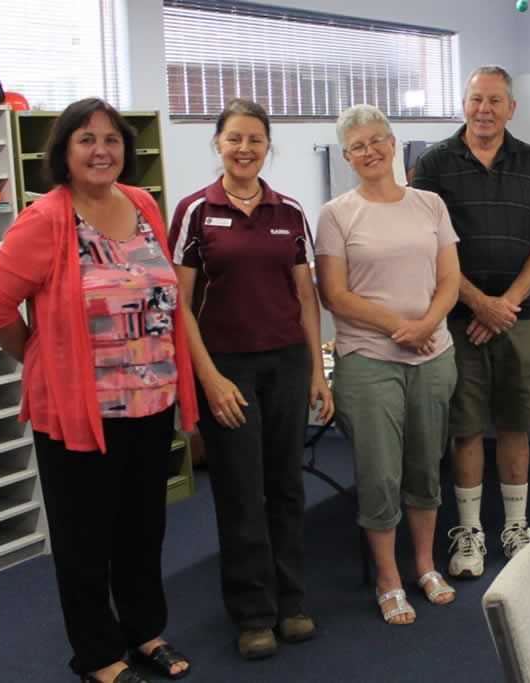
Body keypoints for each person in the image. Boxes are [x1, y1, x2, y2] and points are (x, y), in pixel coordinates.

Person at [0, 98, 196, 683]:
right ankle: (98, 655)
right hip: (80, 413)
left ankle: (144, 631)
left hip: (152, 402)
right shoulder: (45, 219)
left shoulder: (144, 203)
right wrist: (41, 357)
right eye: (86, 140)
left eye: (112, 140)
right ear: (64, 153)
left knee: (142, 530)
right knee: (84, 541)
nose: (101, 150)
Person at [168, 98, 333, 660]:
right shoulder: (195, 211)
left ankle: (292, 603)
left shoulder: (289, 212)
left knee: (286, 485)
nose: (245, 149)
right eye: (234, 138)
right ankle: (252, 613)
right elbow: (180, 305)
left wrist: (317, 373)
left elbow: (306, 298)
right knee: (241, 491)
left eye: (255, 140)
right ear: (217, 143)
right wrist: (208, 378)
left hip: (286, 362)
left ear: (268, 147)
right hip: (228, 368)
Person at [412, 65, 530, 577]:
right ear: (464, 103)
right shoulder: (433, 164)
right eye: (476, 99)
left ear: (511, 108)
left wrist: (505, 306)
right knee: (467, 428)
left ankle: (516, 527)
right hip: (457, 319)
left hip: (517, 317)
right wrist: (478, 303)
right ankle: (470, 534)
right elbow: (427, 244)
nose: (484, 109)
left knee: (517, 423)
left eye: (495, 101)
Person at [315, 104, 461, 625]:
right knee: (379, 476)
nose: (370, 151)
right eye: (357, 146)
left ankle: (423, 566)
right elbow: (334, 294)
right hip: (370, 361)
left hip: (434, 356)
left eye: (377, 140)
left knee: (425, 468)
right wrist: (397, 327)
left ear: (393, 143)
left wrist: (426, 325)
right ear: (348, 155)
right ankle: (388, 578)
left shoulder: (429, 204)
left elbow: (448, 280)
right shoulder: (336, 214)